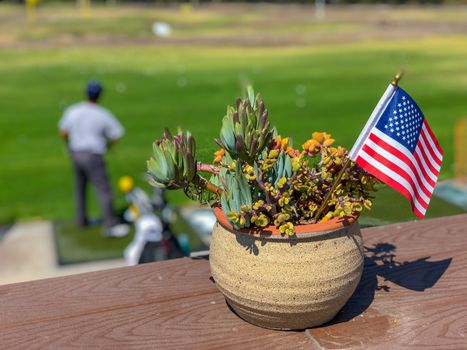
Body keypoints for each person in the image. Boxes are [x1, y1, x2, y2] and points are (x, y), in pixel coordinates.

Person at [58, 80, 129, 237]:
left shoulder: (73, 110)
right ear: (100, 95)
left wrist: (69, 142)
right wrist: (107, 145)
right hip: (93, 155)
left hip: (76, 154)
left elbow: (63, 131)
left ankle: (81, 220)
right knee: (104, 190)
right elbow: (116, 134)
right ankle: (110, 225)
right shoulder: (102, 114)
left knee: (80, 188)